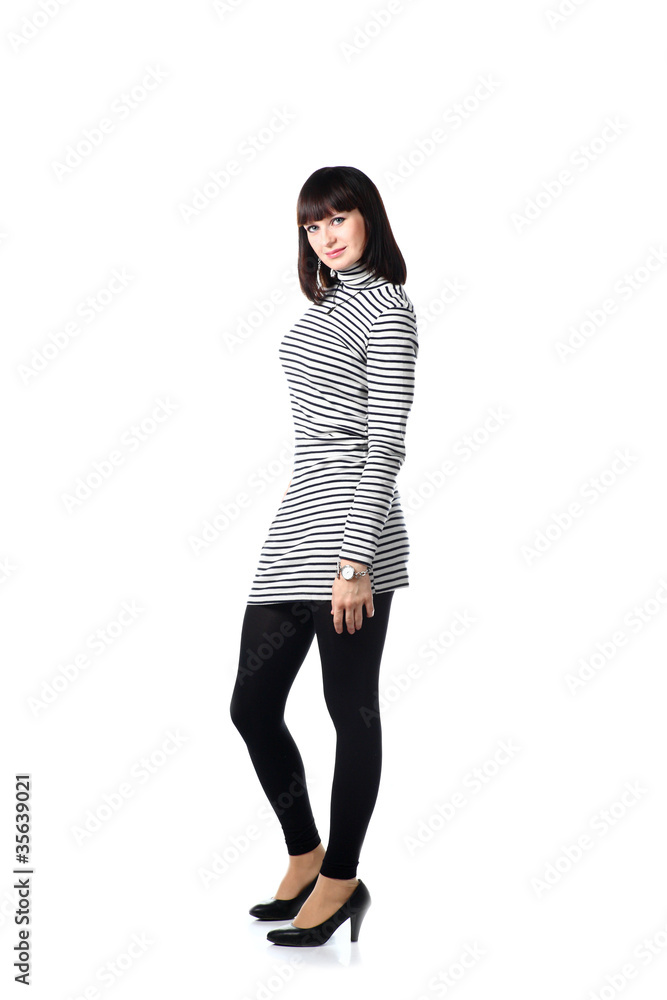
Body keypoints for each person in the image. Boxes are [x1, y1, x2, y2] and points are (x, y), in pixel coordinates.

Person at [229, 165, 419, 947]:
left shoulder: (390, 309)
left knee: (349, 709)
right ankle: (305, 854)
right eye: (312, 225)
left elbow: (385, 444)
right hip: (295, 521)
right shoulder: (326, 307)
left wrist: (354, 560)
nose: (326, 236)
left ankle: (341, 879)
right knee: (250, 707)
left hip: (353, 532)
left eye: (338, 218)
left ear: (368, 216)